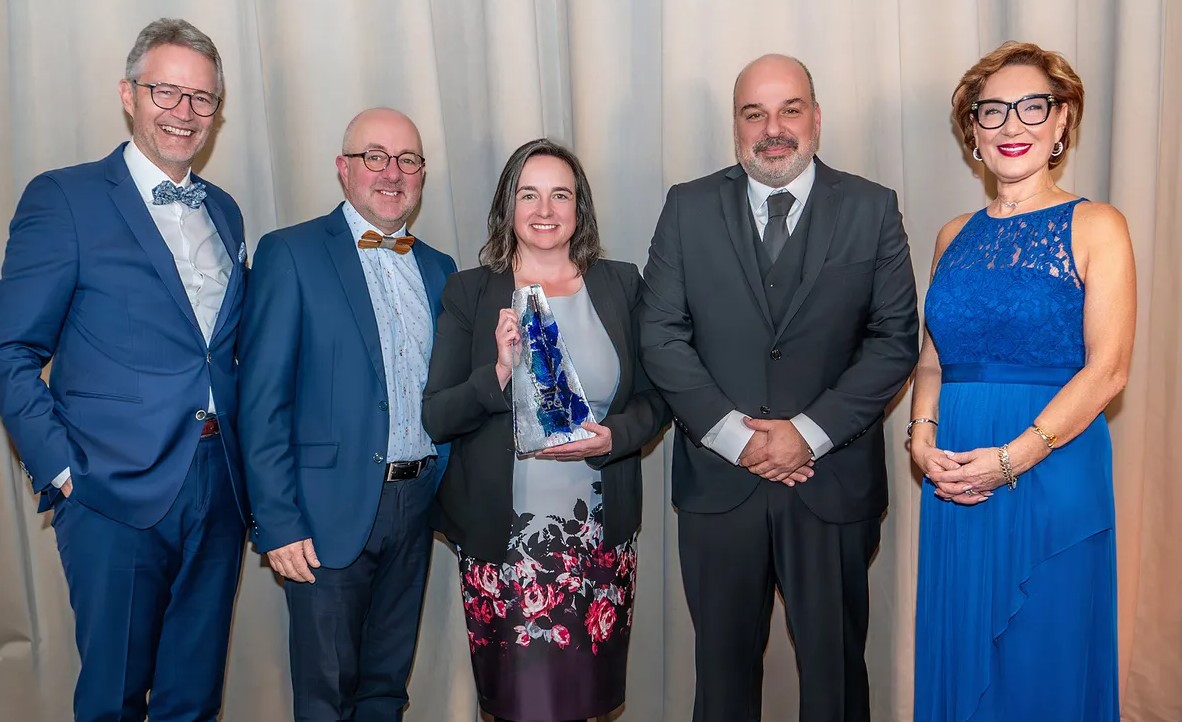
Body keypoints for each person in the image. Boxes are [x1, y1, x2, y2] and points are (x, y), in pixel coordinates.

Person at [638, 54, 919, 721]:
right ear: (736, 126)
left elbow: (893, 341)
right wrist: (738, 439)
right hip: (719, 488)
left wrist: (807, 436)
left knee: (836, 682)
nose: (773, 128)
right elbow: (661, 336)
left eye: (789, 109)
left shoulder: (872, 208)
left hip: (831, 484)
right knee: (723, 682)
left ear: (816, 117)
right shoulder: (687, 206)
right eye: (753, 113)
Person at [0, 18, 249, 721]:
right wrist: (64, 470)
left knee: (192, 700)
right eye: (166, 91)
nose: (184, 111)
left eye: (202, 98)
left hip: (219, 485)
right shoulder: (66, 198)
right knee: (114, 699)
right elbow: (11, 349)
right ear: (127, 95)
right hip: (110, 491)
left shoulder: (224, 212)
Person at [912, 41, 1133, 721]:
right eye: (993, 111)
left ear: (1062, 120)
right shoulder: (953, 235)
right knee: (963, 656)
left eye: (1032, 107)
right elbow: (932, 360)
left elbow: (1109, 370)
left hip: (1050, 473)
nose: (1012, 125)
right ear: (972, 131)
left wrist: (1011, 460)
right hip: (956, 483)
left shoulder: (1098, 225)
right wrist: (921, 439)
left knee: (1044, 661)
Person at [422, 138, 669, 722]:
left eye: (561, 195)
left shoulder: (621, 284)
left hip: (598, 541)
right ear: (508, 205)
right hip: (506, 546)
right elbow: (437, 415)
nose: (545, 209)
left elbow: (656, 399)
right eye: (528, 194)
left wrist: (616, 437)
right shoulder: (471, 291)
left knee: (584, 703)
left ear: (579, 207)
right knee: (518, 707)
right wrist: (500, 372)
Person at [238, 107, 456, 721]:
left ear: (421, 175)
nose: (392, 173)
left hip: (415, 508)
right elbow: (261, 399)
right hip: (323, 515)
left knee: (387, 689)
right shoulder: (291, 253)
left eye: (408, 160)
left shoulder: (440, 270)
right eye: (375, 157)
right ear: (344, 169)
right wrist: (277, 520)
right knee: (327, 695)